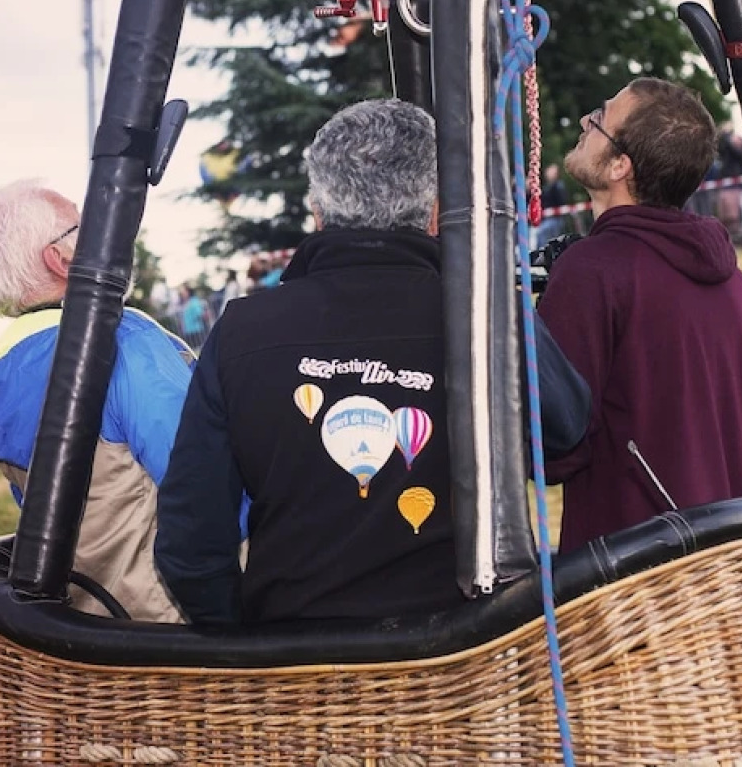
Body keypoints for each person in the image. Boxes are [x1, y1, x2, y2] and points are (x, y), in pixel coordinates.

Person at [155, 100, 590, 625]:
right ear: (436, 209)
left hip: (300, 657)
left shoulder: (241, 330)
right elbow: (567, 427)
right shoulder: (484, 309)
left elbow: (190, 542)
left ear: (316, 211)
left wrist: (246, 644)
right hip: (469, 648)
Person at [541, 78, 742, 555]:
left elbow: (552, 446)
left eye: (599, 118)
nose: (583, 123)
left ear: (620, 165)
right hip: (735, 574)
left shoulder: (591, 272)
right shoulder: (737, 285)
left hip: (637, 581)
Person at [0, 179, 195, 622]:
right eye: (82, 227)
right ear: (61, 258)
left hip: (90, 609)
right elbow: (204, 479)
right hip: (178, 616)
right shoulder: (120, 341)